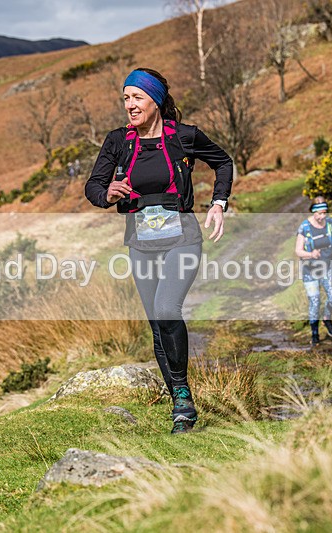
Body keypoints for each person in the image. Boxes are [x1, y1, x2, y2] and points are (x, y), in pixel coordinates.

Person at [85, 67, 233, 434]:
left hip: (183, 238)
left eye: (136, 97)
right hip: (141, 245)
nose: (129, 105)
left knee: (168, 309)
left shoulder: (184, 137)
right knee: (157, 327)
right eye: (125, 98)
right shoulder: (118, 141)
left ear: (155, 101)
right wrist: (107, 195)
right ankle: (180, 406)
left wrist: (218, 203)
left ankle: (181, 393)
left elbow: (223, 163)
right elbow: (93, 185)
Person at [294, 197, 332, 346]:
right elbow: (298, 251)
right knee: (315, 302)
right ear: (313, 212)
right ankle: (314, 334)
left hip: (328, 267)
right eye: (319, 213)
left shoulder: (330, 223)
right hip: (310, 270)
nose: (322, 216)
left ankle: (327, 318)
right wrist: (311, 254)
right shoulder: (305, 228)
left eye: (324, 213)